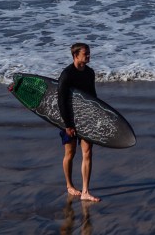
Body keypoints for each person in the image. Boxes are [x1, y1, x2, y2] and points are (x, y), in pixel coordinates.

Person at [58, 42, 101, 202]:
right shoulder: (67, 74)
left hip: (85, 118)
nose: (89, 56)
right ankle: (69, 185)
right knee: (70, 153)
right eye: (85, 54)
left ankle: (85, 191)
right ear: (76, 56)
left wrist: (96, 117)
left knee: (87, 152)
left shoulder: (90, 73)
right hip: (68, 119)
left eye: (89, 53)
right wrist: (68, 125)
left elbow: (93, 97)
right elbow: (61, 101)